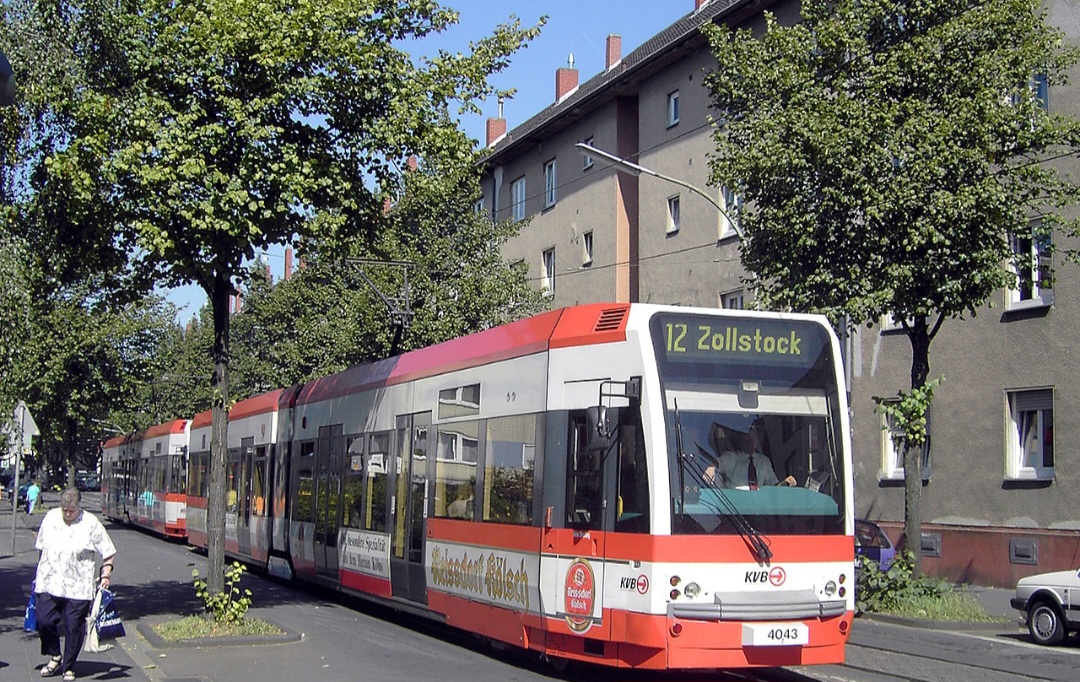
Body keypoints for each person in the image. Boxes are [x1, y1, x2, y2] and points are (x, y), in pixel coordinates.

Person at [34, 488, 116, 681]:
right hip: (49, 581)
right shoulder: (51, 518)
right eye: (64, 510)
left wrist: (106, 574)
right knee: (44, 620)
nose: (67, 514)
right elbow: (41, 547)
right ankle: (55, 655)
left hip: (78, 585)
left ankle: (68, 666)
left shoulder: (90, 523)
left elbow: (108, 551)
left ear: (79, 507)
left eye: (71, 510)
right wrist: (39, 571)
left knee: (73, 627)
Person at [705, 424, 796, 489]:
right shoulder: (732, 458)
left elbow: (773, 487)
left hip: (758, 508)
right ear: (740, 442)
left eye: (751, 440)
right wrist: (712, 468)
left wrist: (785, 483)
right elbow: (717, 464)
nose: (749, 444)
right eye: (745, 441)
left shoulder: (764, 462)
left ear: (756, 442)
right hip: (733, 507)